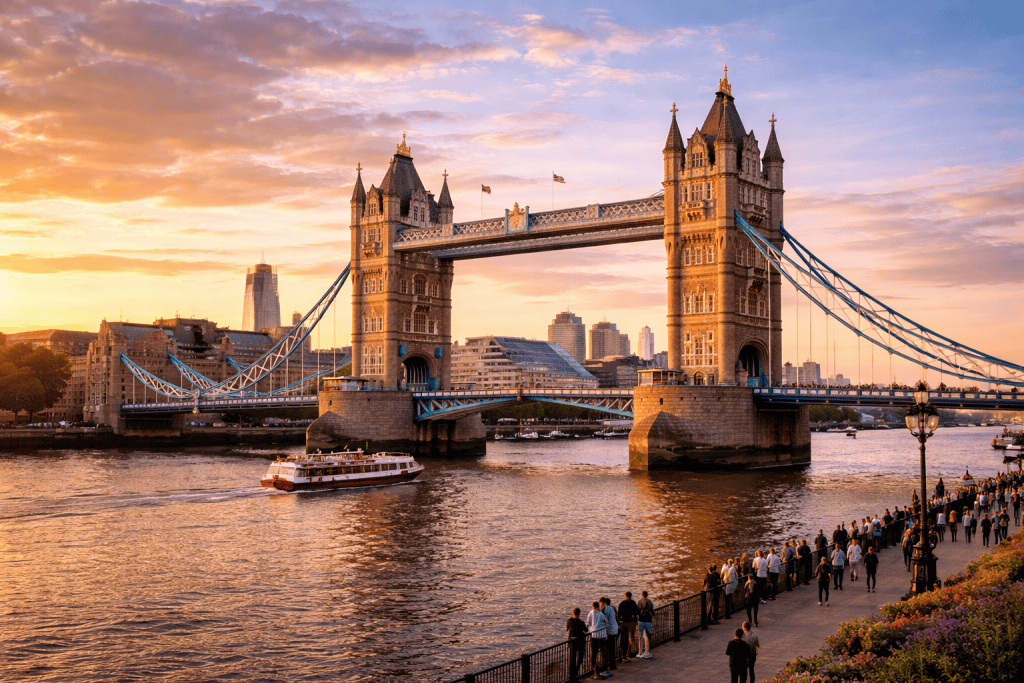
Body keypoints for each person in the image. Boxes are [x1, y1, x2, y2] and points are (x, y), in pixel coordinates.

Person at [585, 601, 609, 679]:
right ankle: (604, 669)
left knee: (593, 653)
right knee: (603, 652)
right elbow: (606, 623)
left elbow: (588, 623)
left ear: (592, 606)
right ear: (598, 606)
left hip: (593, 635)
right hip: (602, 636)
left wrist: (590, 630)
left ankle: (594, 669)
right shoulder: (601, 614)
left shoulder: (590, 613)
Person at [567, 607, 588, 681]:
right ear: (579, 614)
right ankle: (576, 672)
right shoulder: (581, 622)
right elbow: (586, 630)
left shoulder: (569, 621)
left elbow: (567, 629)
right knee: (580, 657)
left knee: (572, 658)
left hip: (572, 642)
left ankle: (571, 675)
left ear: (573, 613)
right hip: (581, 641)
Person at [617, 592, 639, 662]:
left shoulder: (622, 603)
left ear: (625, 596)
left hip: (624, 623)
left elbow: (619, 614)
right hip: (632, 623)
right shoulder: (633, 603)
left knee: (624, 638)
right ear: (631, 596)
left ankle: (623, 655)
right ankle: (631, 651)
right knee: (631, 637)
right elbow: (636, 612)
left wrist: (620, 621)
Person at [600, 597, 619, 672]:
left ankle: (606, 665)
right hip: (615, 629)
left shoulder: (604, 609)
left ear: (604, 603)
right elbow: (616, 618)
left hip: (608, 631)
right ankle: (612, 665)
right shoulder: (613, 608)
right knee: (612, 648)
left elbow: (604, 620)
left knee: (606, 649)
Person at [636, 591, 654, 659]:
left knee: (640, 636)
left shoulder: (639, 601)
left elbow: (637, 611)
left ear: (641, 595)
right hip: (648, 620)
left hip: (641, 620)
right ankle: (647, 651)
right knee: (648, 636)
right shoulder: (649, 601)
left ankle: (640, 652)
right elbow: (652, 610)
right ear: (647, 595)